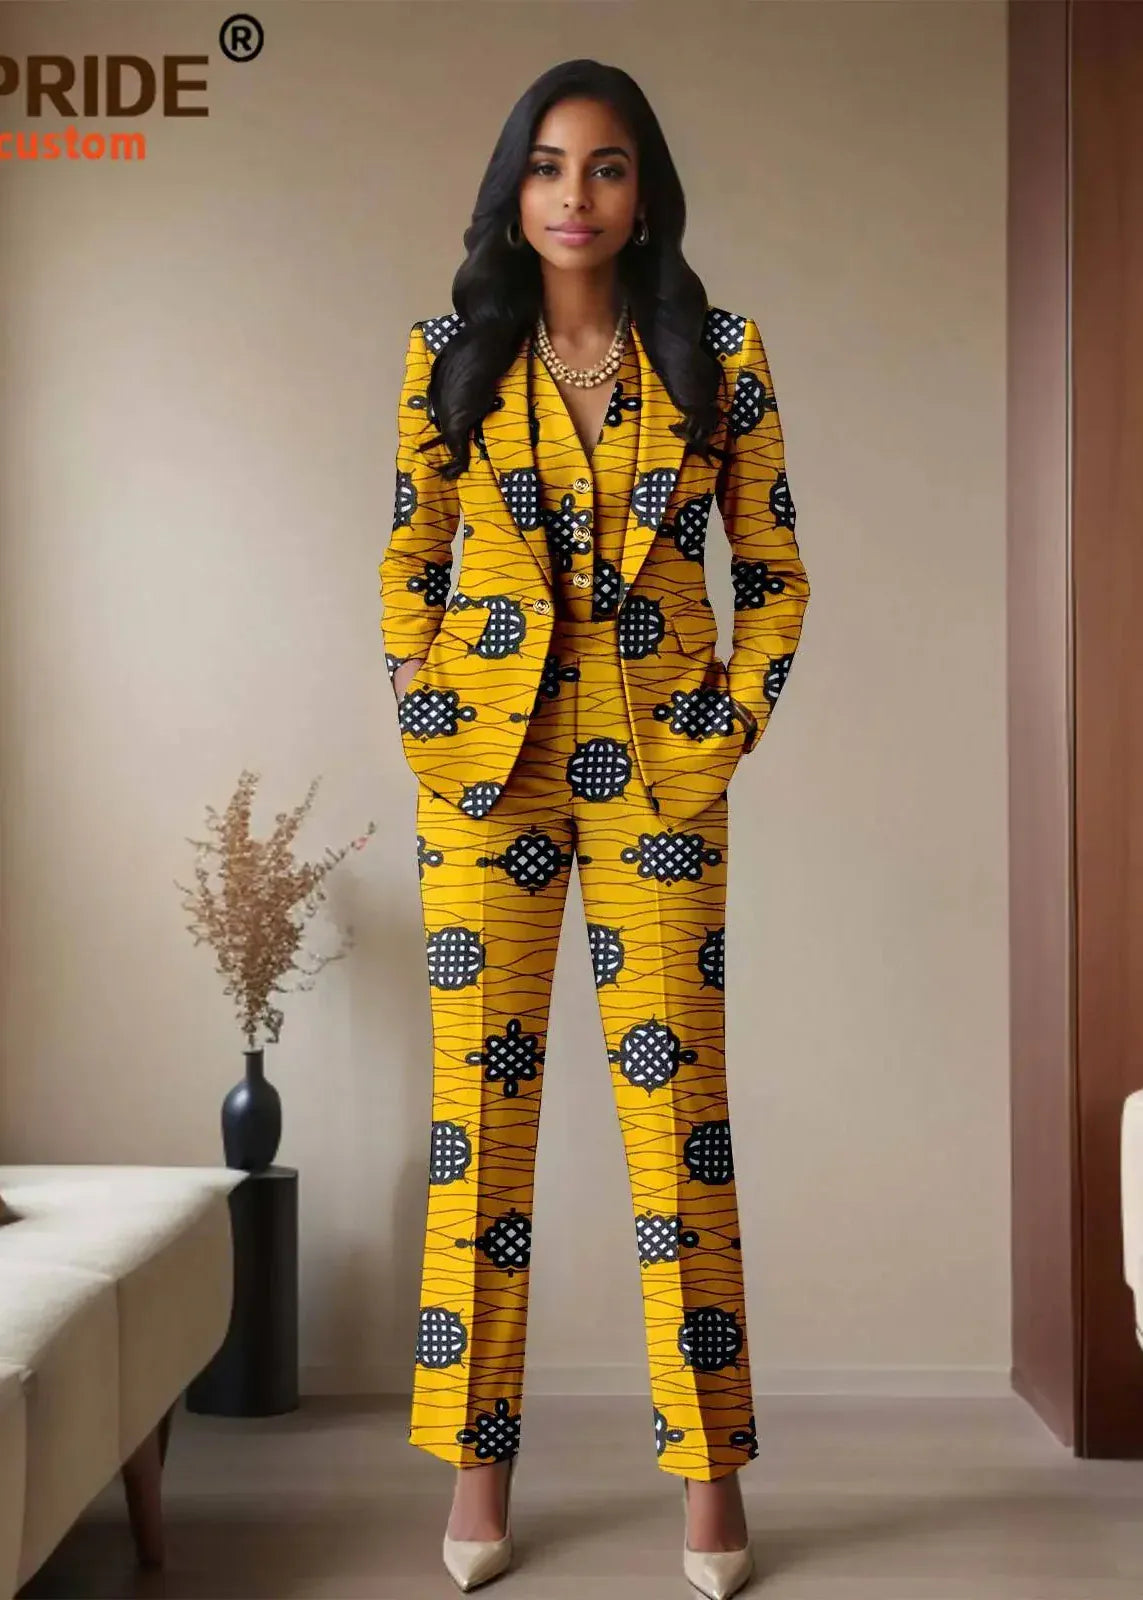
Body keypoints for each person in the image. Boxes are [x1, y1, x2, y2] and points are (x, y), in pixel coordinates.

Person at [380, 57, 810, 1599]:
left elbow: (774, 571)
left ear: (645, 194)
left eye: (607, 167)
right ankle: (477, 1473)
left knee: (677, 1125)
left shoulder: (720, 354)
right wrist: (422, 704)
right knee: (476, 1131)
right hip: (483, 779)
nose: (576, 195)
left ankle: (710, 1482)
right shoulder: (449, 356)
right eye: (550, 166)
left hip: (659, 779)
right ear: (516, 190)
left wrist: (727, 725)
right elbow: (409, 560)